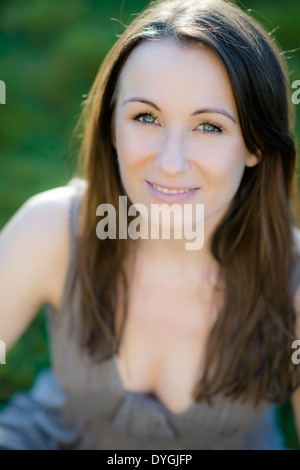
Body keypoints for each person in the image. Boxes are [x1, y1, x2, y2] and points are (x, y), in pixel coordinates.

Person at [0, 0, 300, 450]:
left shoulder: (291, 281)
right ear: (112, 127)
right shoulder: (57, 229)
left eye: (209, 127)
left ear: (256, 144)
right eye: (146, 117)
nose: (170, 162)